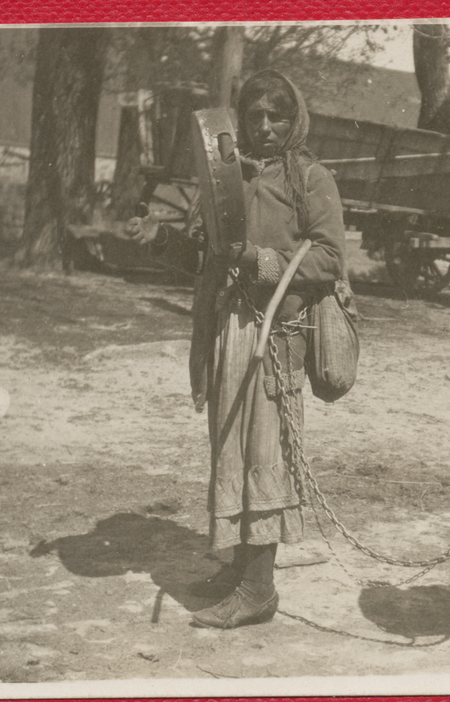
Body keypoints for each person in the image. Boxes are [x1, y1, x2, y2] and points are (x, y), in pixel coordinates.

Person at [126, 70, 345, 629]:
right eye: (255, 116)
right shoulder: (224, 178)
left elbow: (328, 259)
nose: (266, 127)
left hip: (278, 336)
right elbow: (205, 258)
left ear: (295, 120)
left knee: (264, 457)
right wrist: (162, 238)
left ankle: (259, 588)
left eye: (278, 117)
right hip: (228, 331)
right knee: (234, 453)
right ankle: (239, 569)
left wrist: (258, 259)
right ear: (239, 122)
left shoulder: (310, 179)